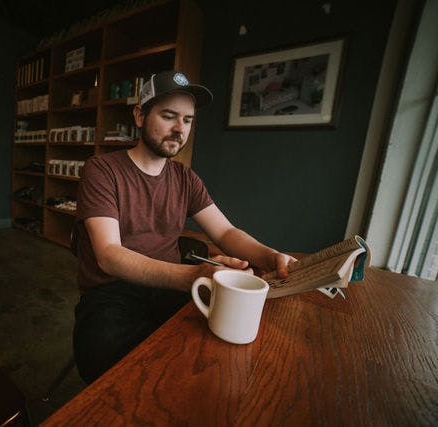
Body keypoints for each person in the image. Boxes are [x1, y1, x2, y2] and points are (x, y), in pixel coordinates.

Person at [73, 70, 295, 383]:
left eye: (188, 120)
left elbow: (226, 233)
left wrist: (270, 256)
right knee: (110, 371)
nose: (180, 129)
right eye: (168, 116)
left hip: (170, 286)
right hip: (112, 293)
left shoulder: (185, 179)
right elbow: (109, 255)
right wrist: (194, 276)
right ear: (140, 115)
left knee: (209, 360)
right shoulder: (102, 170)